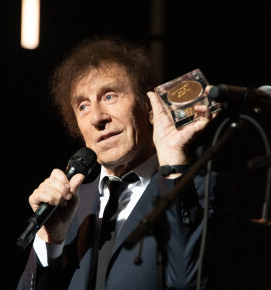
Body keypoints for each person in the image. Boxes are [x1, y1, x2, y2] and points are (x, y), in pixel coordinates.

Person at [17, 36, 233, 290]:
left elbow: (191, 281)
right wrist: (50, 240)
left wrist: (173, 162)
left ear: (149, 107)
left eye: (109, 96)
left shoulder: (198, 188)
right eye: (83, 106)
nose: (97, 117)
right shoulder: (70, 207)